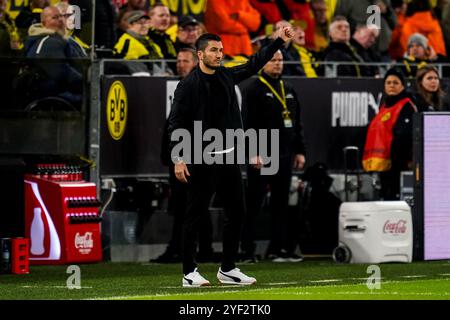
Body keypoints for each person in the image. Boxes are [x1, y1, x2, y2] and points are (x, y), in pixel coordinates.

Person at [167, 27, 294, 287]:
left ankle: (228, 269)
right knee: (195, 214)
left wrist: (278, 40)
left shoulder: (226, 75)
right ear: (200, 54)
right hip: (201, 158)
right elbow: (175, 122)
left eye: (221, 50)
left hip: (229, 158)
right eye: (214, 50)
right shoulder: (188, 85)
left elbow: (255, 62)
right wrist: (179, 158)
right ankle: (189, 272)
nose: (219, 54)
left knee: (238, 212)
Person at [241, 50, 306, 263]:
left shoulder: (288, 88)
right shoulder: (254, 88)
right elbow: (247, 123)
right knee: (254, 202)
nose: (277, 64)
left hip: (285, 153)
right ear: (263, 64)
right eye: (273, 60)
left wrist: (300, 150)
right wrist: (252, 152)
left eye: (280, 60)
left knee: (281, 202)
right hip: (262, 153)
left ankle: (278, 249)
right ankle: (247, 250)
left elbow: (297, 123)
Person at [153, 48, 217, 263]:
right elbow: (173, 124)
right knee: (187, 205)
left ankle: (188, 249)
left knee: (191, 205)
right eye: (178, 61)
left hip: (195, 155)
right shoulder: (185, 87)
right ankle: (194, 249)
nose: (180, 64)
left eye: (185, 61)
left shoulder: (200, 86)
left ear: (197, 60)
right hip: (182, 155)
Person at [362, 68, 417, 200]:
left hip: (396, 166)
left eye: (396, 82)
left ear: (402, 86)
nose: (391, 85)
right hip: (383, 166)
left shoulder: (406, 106)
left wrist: (396, 161)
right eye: (388, 82)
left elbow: (404, 136)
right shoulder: (385, 105)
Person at [24, 6, 84, 107]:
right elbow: (60, 71)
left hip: (61, 93)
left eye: (61, 16)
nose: (60, 20)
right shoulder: (48, 41)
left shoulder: (62, 39)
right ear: (44, 24)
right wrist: (85, 81)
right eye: (55, 18)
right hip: (55, 97)